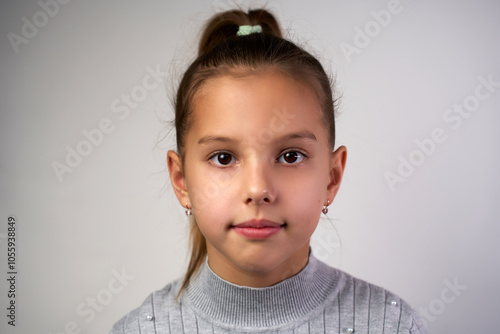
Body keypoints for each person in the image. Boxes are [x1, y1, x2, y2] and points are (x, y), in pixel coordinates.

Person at [110, 8, 427, 334]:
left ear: (331, 177)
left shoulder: (391, 325)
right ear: (182, 182)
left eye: (290, 156)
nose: (258, 189)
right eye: (223, 158)